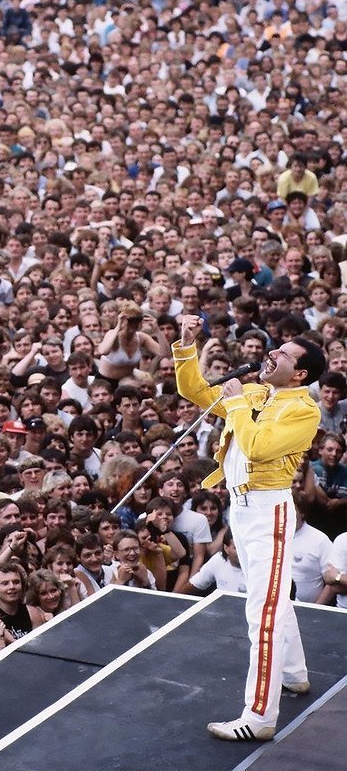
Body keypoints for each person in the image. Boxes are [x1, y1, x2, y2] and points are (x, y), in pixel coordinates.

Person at [173, 314, 325, 742]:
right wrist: (186, 345)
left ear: (299, 374)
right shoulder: (257, 391)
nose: (271, 353)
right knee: (273, 600)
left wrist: (238, 403)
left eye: (284, 354)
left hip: (267, 511)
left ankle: (259, 717)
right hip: (240, 508)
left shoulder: (304, 410)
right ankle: (294, 673)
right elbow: (195, 391)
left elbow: (258, 447)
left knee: (263, 613)